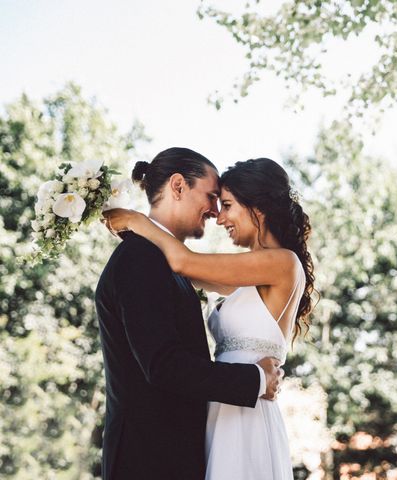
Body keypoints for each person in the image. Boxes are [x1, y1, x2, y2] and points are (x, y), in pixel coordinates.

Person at [103, 157, 315, 480]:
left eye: (227, 205)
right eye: (217, 202)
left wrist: (136, 221)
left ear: (256, 207)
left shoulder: (282, 262)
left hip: (246, 415)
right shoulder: (246, 273)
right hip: (223, 411)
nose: (220, 217)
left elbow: (182, 260)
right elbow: (177, 269)